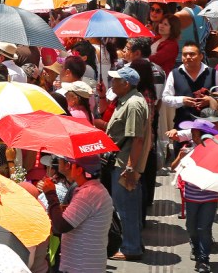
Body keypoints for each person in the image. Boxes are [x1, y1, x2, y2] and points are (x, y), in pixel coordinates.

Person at [36, 155, 114, 273]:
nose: (68, 167)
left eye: (71, 165)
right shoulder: (94, 189)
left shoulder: (87, 194)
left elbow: (61, 226)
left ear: (79, 170)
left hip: (82, 266)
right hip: (85, 264)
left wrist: (51, 194)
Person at [105, 65, 149, 262]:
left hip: (124, 164)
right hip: (122, 162)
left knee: (126, 208)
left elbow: (137, 139)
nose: (112, 83)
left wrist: (130, 168)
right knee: (126, 206)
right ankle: (133, 243)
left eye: (115, 80)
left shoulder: (133, 104)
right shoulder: (127, 101)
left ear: (126, 84)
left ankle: (130, 248)